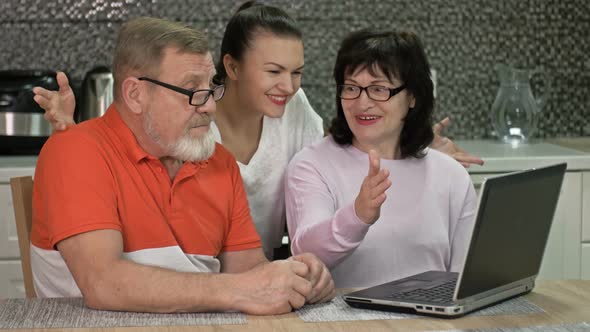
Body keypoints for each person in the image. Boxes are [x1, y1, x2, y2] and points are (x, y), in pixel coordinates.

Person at [35, 2, 483, 259]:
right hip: (203, 277)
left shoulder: (285, 115)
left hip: (253, 273)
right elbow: (120, 156)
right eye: (273, 71)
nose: (287, 86)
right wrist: (70, 136)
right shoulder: (179, 128)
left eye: (297, 72)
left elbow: (339, 151)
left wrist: (414, 143)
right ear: (230, 67)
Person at [31, 17, 335, 314]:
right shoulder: (76, 150)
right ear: (135, 95)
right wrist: (240, 289)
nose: (210, 106)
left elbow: (251, 272)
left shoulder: (220, 163)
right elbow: (103, 284)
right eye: (192, 91)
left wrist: (298, 279)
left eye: (211, 87)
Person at [285, 29, 478, 288]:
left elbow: (466, 280)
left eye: (378, 89)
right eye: (351, 88)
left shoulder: (451, 174)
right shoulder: (312, 165)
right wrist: (357, 216)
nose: (362, 103)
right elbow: (306, 255)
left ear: (412, 97)